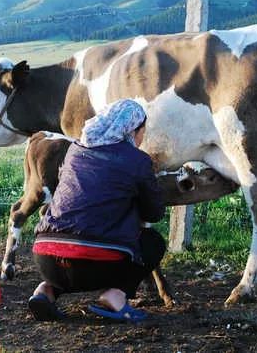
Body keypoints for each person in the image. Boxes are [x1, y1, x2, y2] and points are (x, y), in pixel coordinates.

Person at [29, 99, 166, 322]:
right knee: (153, 242)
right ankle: (115, 297)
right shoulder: (137, 160)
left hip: (45, 255)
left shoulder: (75, 149)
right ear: (132, 130)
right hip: (96, 262)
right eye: (143, 130)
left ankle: (46, 291)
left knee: (69, 252)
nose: (143, 136)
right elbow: (154, 213)